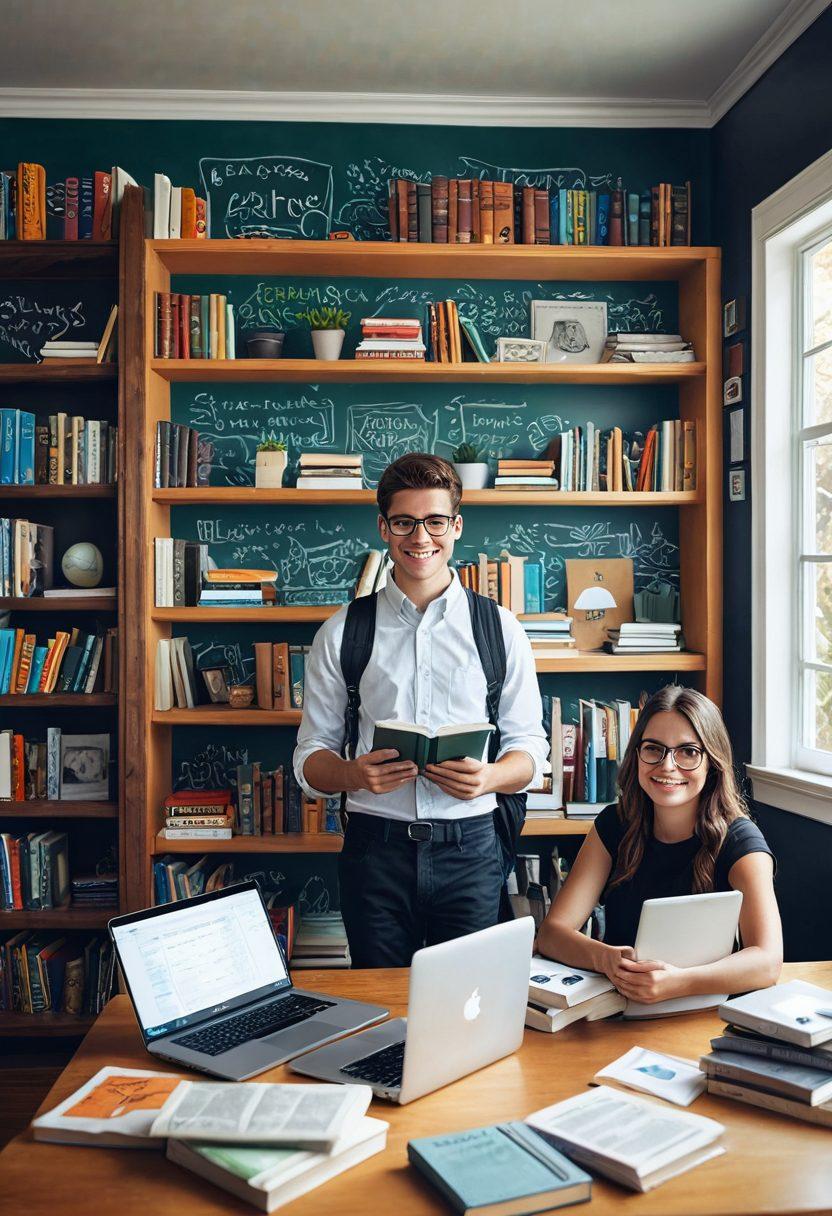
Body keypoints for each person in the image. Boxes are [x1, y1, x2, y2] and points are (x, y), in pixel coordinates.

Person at [294, 452, 548, 967]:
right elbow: (309, 759)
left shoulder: (499, 629)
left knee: (471, 1005)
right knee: (384, 1009)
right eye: (405, 522)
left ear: (456, 526)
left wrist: (491, 777)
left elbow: (532, 751)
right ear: (384, 527)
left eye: (434, 521)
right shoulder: (342, 632)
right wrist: (351, 774)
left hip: (472, 848)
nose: (420, 538)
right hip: (375, 852)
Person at [536, 685, 782, 1003]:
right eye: (654, 748)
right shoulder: (614, 825)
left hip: (703, 1013)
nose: (667, 766)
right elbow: (552, 934)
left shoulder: (740, 842)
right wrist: (605, 958)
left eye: (688, 752)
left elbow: (767, 961)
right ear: (637, 754)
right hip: (618, 1009)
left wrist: (678, 982)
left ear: (712, 763)